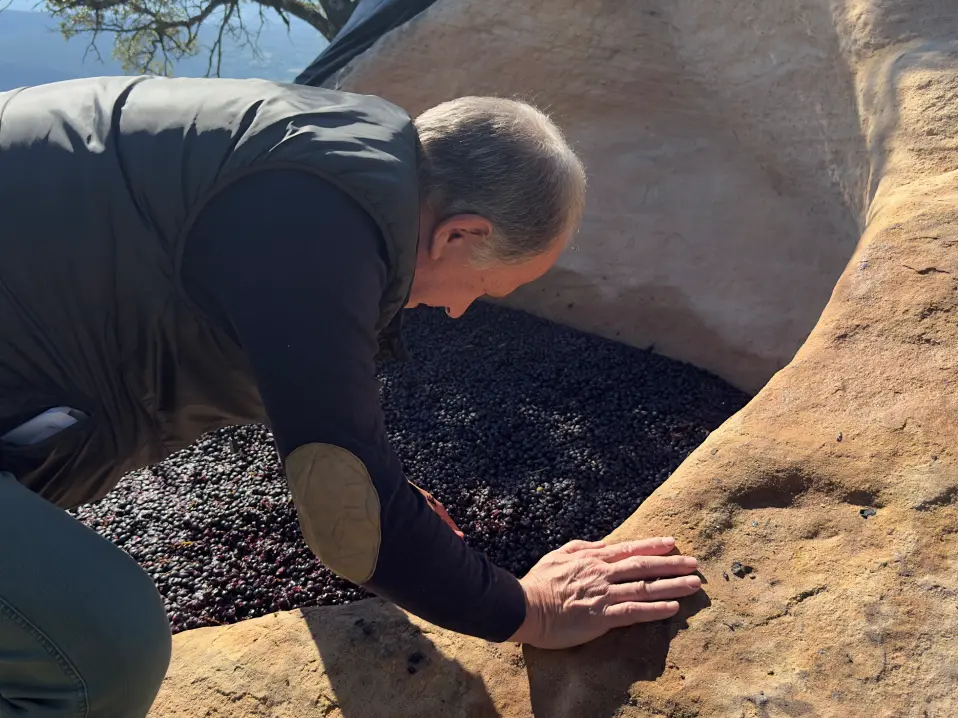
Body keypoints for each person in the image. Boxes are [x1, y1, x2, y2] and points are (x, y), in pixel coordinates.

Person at [0, 75, 703, 716]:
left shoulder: (335, 156)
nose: (461, 313)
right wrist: (530, 609)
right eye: (486, 289)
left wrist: (384, 486)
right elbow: (349, 523)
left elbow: (302, 390)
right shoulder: (312, 223)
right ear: (463, 233)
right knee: (103, 649)